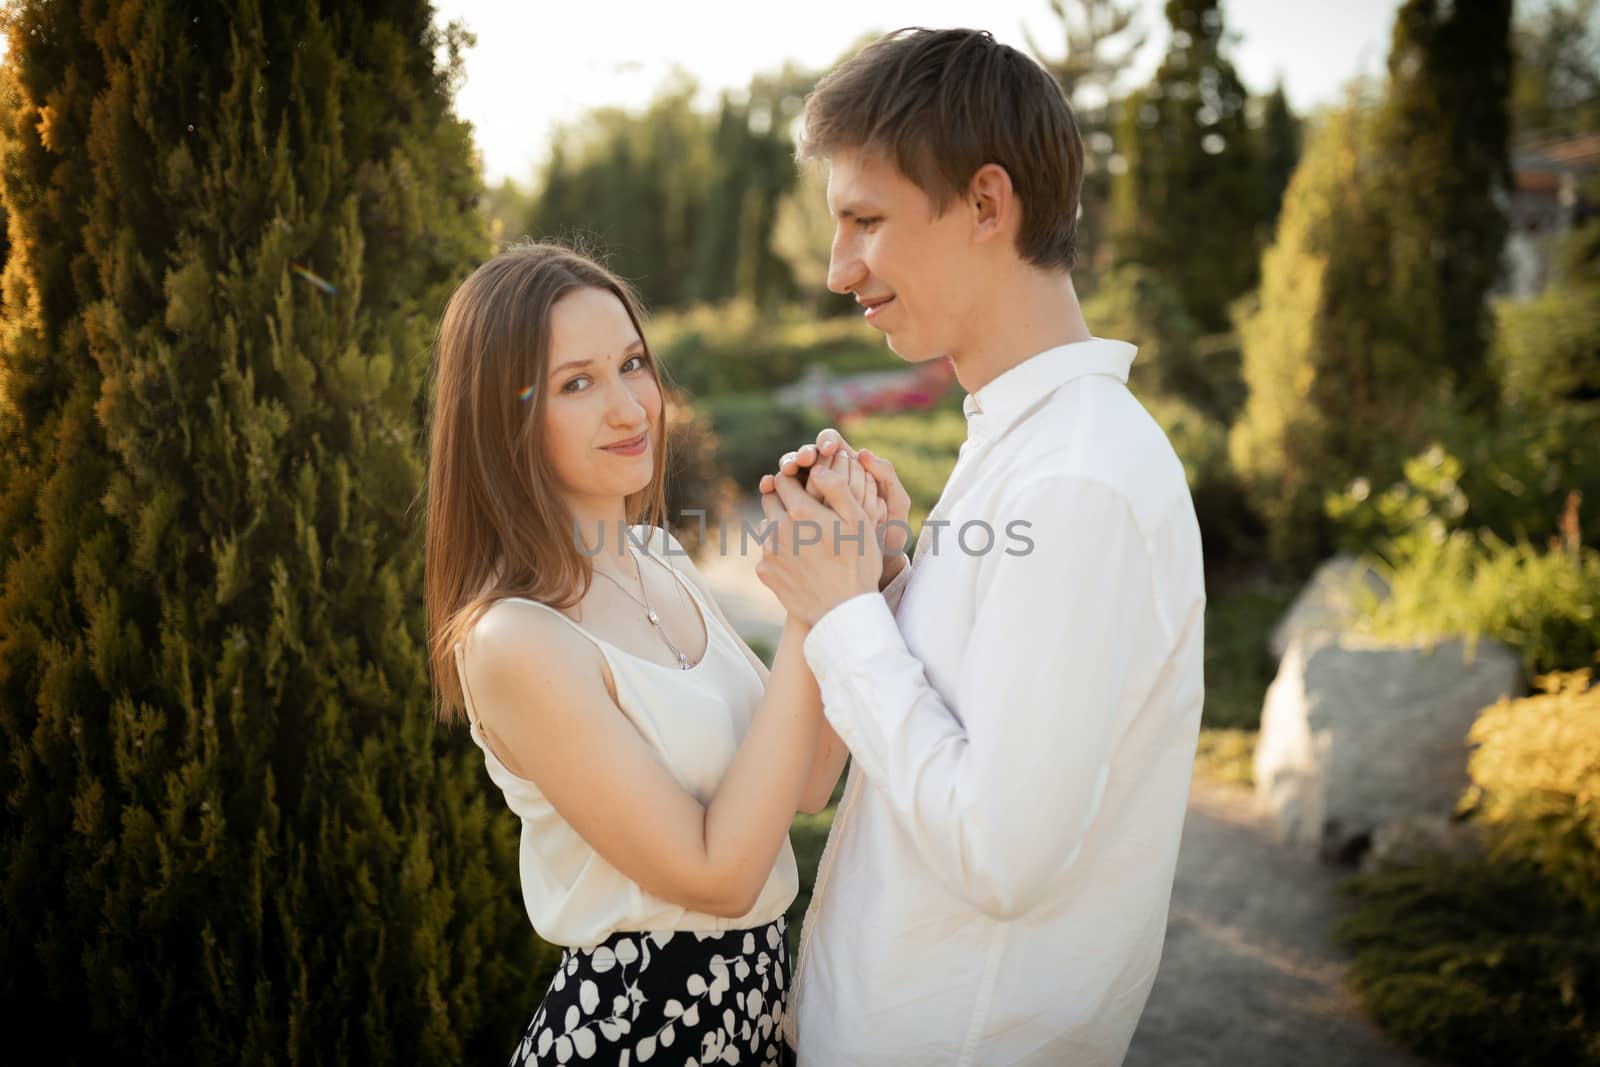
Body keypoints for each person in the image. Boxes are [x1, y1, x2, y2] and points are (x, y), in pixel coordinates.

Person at [754, 28, 1207, 1065]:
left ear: (987, 204)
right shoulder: (1028, 440)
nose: (838, 269)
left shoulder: (1077, 477)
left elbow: (1001, 851)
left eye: (864, 219)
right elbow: (977, 706)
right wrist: (887, 577)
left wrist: (844, 613)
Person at [423, 242, 885, 1065]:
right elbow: (718, 875)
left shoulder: (658, 557)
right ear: (504, 416)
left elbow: (808, 778)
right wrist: (812, 615)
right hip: (640, 1035)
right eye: (576, 383)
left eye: (632, 363)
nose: (631, 408)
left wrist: (866, 569)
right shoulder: (514, 637)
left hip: (755, 1022)